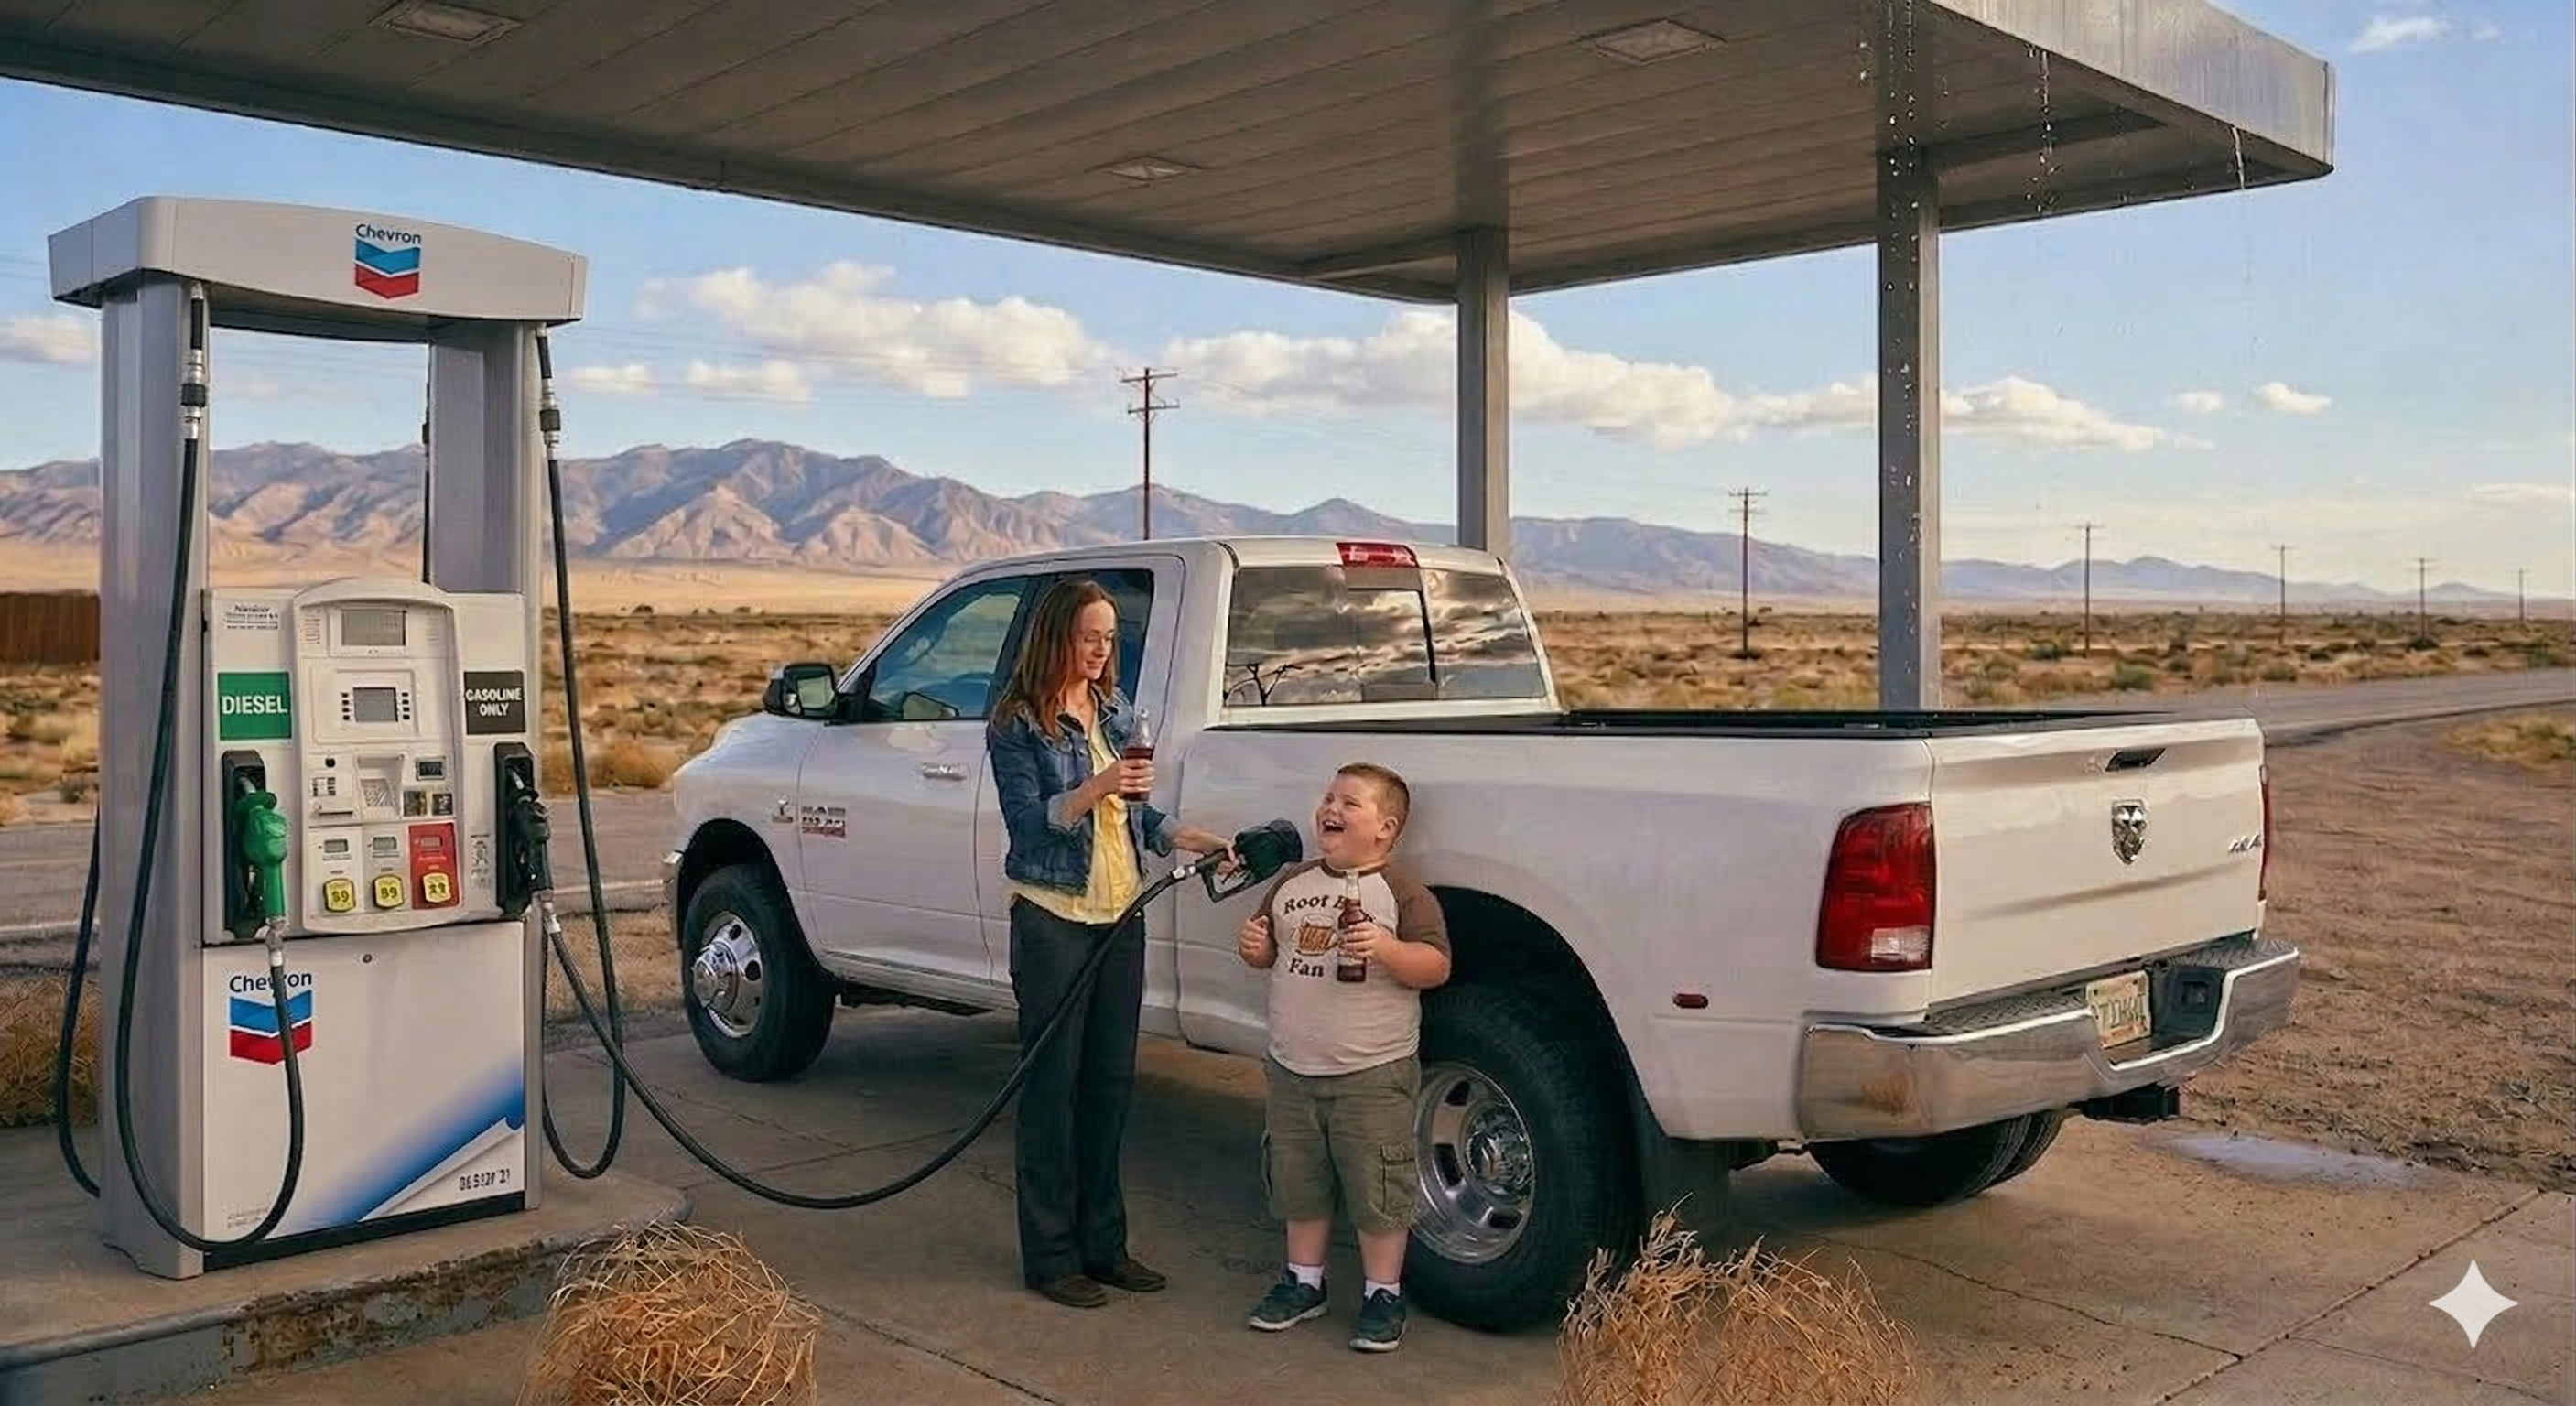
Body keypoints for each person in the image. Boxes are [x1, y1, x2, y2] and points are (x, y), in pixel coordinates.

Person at [986, 576, 1238, 1310]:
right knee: (1052, 1092)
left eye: (1108, 636)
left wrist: (1186, 835)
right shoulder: (1016, 723)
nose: (1101, 649)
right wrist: (1100, 783)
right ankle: (1051, 1258)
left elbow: (1134, 811)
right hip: (1053, 920)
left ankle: (1104, 1246)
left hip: (1120, 917)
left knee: (1107, 1087)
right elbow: (1032, 824)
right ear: (1056, 637)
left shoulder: (1115, 709)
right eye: (1087, 636)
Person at [1233, 761, 1450, 1353]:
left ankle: (1383, 1293)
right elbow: (1267, 950)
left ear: (1386, 827)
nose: (1331, 808)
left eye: (1350, 803)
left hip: (1372, 1072)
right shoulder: (1293, 883)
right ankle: (1304, 1282)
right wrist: (1254, 947)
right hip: (1291, 1069)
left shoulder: (1401, 892)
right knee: (1298, 1182)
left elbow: (1436, 966)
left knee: (1378, 1185)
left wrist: (1385, 948)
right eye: (1328, 798)